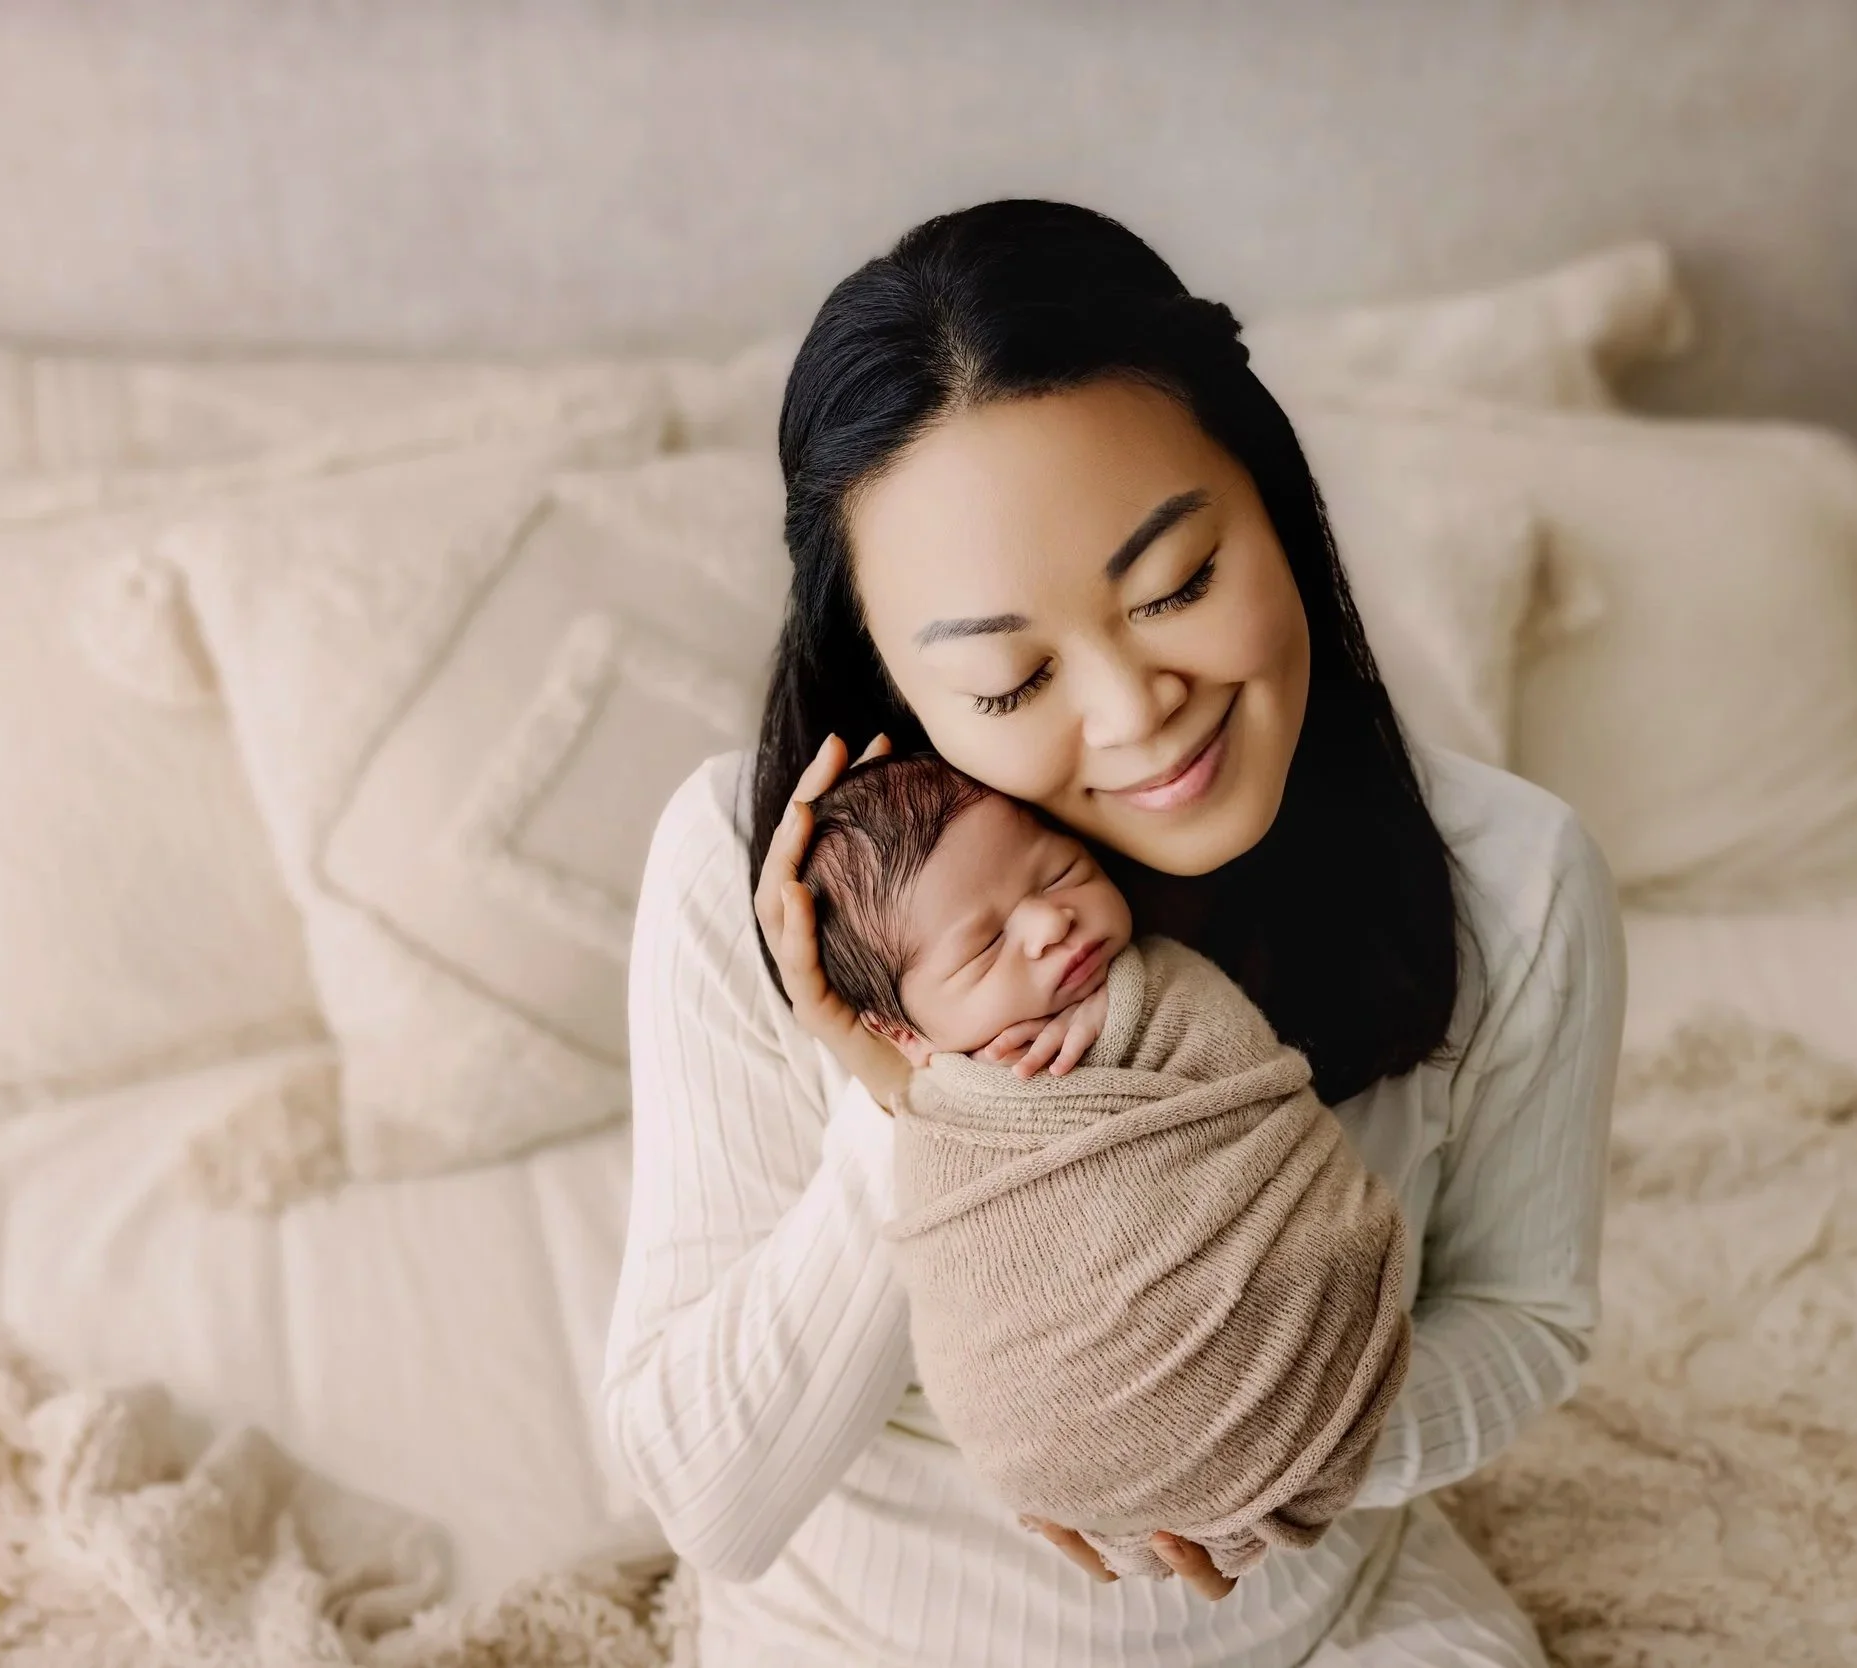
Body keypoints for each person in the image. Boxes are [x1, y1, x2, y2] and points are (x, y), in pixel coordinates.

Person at [600, 197, 1626, 1667]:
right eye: (1012, 684)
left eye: (1178, 586)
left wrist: (1243, 1445)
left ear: (1274, 503)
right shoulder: (750, 876)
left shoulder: (1516, 881)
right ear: (892, 682)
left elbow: (1525, 1322)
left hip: (1321, 1614)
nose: (1138, 712)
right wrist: (916, 1108)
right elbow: (714, 1496)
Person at [795, 751, 1414, 1585]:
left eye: (1060, 873)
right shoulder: (936, 1122)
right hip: (1022, 1513)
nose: (1049, 925)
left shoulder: (1166, 986)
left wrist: (1127, 1007)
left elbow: (1234, 1072)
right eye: (983, 948)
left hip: (1328, 1439)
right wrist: (898, 1088)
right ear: (903, 1031)